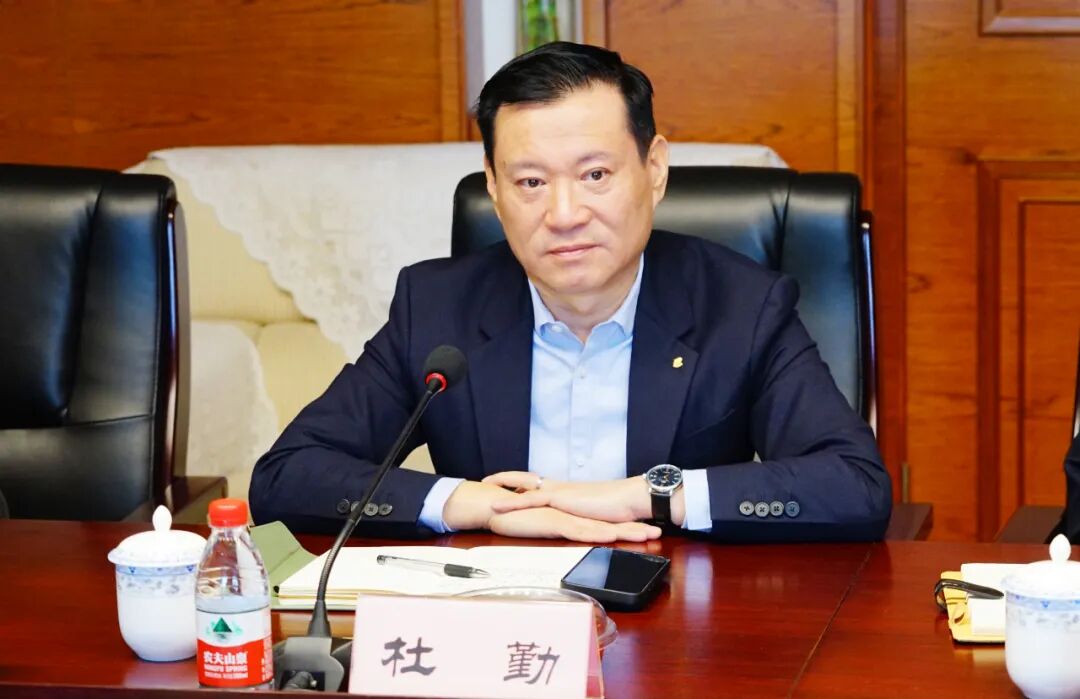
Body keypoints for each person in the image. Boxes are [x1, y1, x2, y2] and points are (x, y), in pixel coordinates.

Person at [249, 41, 892, 543]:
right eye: (530, 182)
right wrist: (471, 504)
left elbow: (854, 485)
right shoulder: (436, 308)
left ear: (655, 169)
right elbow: (286, 475)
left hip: (677, 616)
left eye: (595, 175)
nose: (563, 215)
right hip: (496, 616)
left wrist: (646, 495)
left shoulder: (742, 305)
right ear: (493, 187)